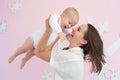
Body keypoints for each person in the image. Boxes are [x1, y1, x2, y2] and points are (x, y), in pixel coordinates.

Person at [8, 7, 79, 69]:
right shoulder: (57, 17)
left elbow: (67, 33)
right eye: (69, 22)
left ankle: (25, 59)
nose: (69, 26)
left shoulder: (63, 28)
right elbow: (52, 22)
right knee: (24, 49)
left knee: (31, 54)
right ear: (63, 15)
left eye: (72, 25)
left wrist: (72, 33)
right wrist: (60, 32)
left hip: (41, 45)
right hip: (35, 39)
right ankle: (15, 55)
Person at [35, 19, 106, 80]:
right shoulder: (74, 56)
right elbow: (46, 52)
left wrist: (48, 30)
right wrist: (59, 34)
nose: (73, 28)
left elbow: (39, 52)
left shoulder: (70, 57)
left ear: (83, 41)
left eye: (78, 30)